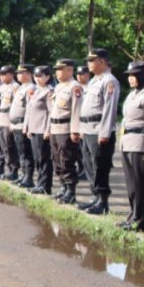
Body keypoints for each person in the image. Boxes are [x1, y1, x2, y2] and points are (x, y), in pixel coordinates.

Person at [76, 48, 120, 215]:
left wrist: (105, 132)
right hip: (87, 129)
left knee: (100, 166)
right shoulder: (94, 80)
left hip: (98, 129)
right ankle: (95, 196)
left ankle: (103, 201)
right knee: (89, 164)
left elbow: (109, 109)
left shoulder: (109, 81)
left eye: (91, 60)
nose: (88, 64)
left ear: (101, 61)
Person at [118, 61, 144, 231]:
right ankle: (133, 215)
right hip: (128, 142)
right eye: (129, 75)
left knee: (142, 185)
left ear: (143, 76)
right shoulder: (133, 94)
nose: (130, 78)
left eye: (133, 75)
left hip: (140, 144)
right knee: (131, 184)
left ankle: (141, 221)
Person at [49, 59, 83, 204]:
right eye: (56, 69)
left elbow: (77, 110)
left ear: (69, 70)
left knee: (67, 160)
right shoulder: (58, 87)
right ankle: (63, 187)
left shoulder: (75, 87)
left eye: (60, 69)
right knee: (56, 159)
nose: (57, 72)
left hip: (65, 128)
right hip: (55, 128)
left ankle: (70, 191)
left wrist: (75, 131)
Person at [24, 65, 54, 195]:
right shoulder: (36, 90)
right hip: (34, 129)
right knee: (37, 158)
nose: (37, 79)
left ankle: (45, 185)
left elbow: (50, 112)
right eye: (35, 76)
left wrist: (48, 130)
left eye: (40, 76)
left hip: (42, 129)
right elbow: (30, 110)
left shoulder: (49, 91)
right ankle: (40, 183)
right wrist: (28, 127)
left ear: (47, 77)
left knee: (43, 159)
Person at [10, 64, 36, 188]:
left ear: (28, 74)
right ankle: (23, 174)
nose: (18, 75)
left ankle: (29, 177)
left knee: (26, 152)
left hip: (23, 125)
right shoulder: (21, 88)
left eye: (21, 73)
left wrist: (27, 126)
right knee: (21, 152)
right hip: (16, 124)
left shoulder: (31, 88)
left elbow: (29, 110)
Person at [0, 66, 20, 181]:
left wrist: (12, 122)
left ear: (11, 74)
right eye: (1, 74)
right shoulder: (3, 87)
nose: (1, 76)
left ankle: (14, 170)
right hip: (1, 118)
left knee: (10, 145)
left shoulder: (15, 87)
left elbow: (15, 107)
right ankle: (9, 167)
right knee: (4, 146)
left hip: (8, 119)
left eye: (4, 74)